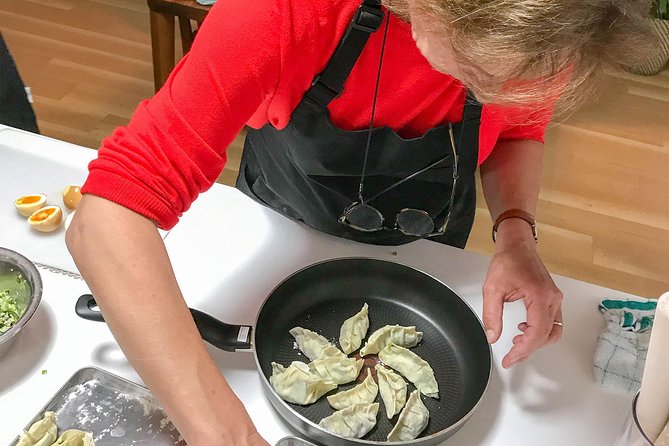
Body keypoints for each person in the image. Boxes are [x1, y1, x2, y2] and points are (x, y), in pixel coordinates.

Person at [65, 0, 655, 444]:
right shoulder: (286, 11)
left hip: (427, 241)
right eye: (481, 72)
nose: (515, 90)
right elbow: (108, 220)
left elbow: (519, 129)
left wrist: (517, 233)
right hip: (279, 221)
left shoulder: (550, 26)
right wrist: (228, 435)